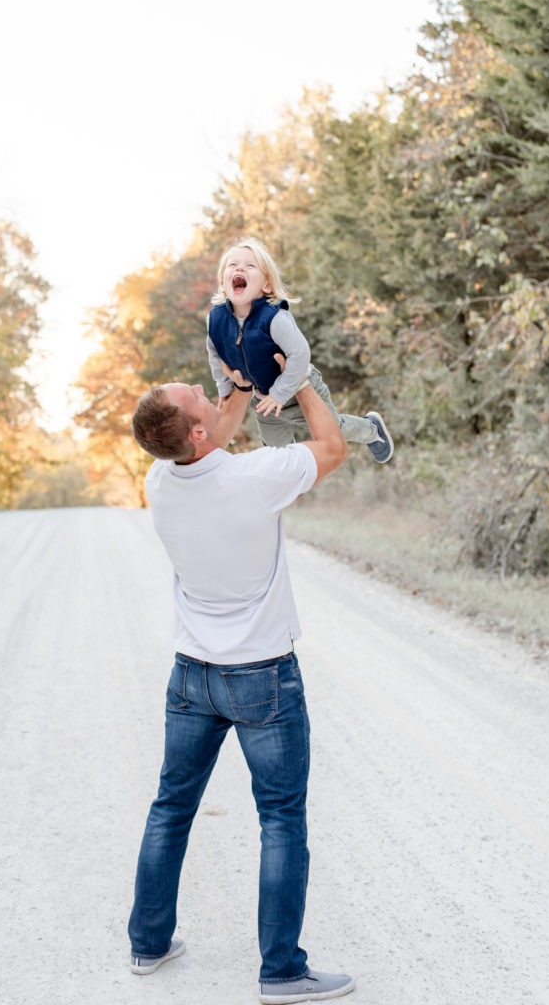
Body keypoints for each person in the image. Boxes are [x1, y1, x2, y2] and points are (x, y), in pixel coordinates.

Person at [128, 366, 356, 1004]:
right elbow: (333, 447)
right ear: (198, 432)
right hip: (263, 679)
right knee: (281, 820)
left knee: (170, 809)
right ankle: (282, 970)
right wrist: (301, 375)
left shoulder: (159, 480)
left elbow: (211, 434)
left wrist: (231, 388)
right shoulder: (258, 479)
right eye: (194, 395)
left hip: (192, 676)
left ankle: (148, 943)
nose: (196, 387)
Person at [206, 235, 394, 463]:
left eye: (250, 265)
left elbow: (300, 354)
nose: (240, 268)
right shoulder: (216, 320)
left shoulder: (275, 318)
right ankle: (292, 462)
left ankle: (371, 429)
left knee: (334, 429)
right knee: (274, 450)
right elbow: (215, 353)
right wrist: (224, 387)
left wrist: (281, 393)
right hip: (265, 398)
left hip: (298, 387)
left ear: (266, 285)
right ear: (223, 281)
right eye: (233, 265)